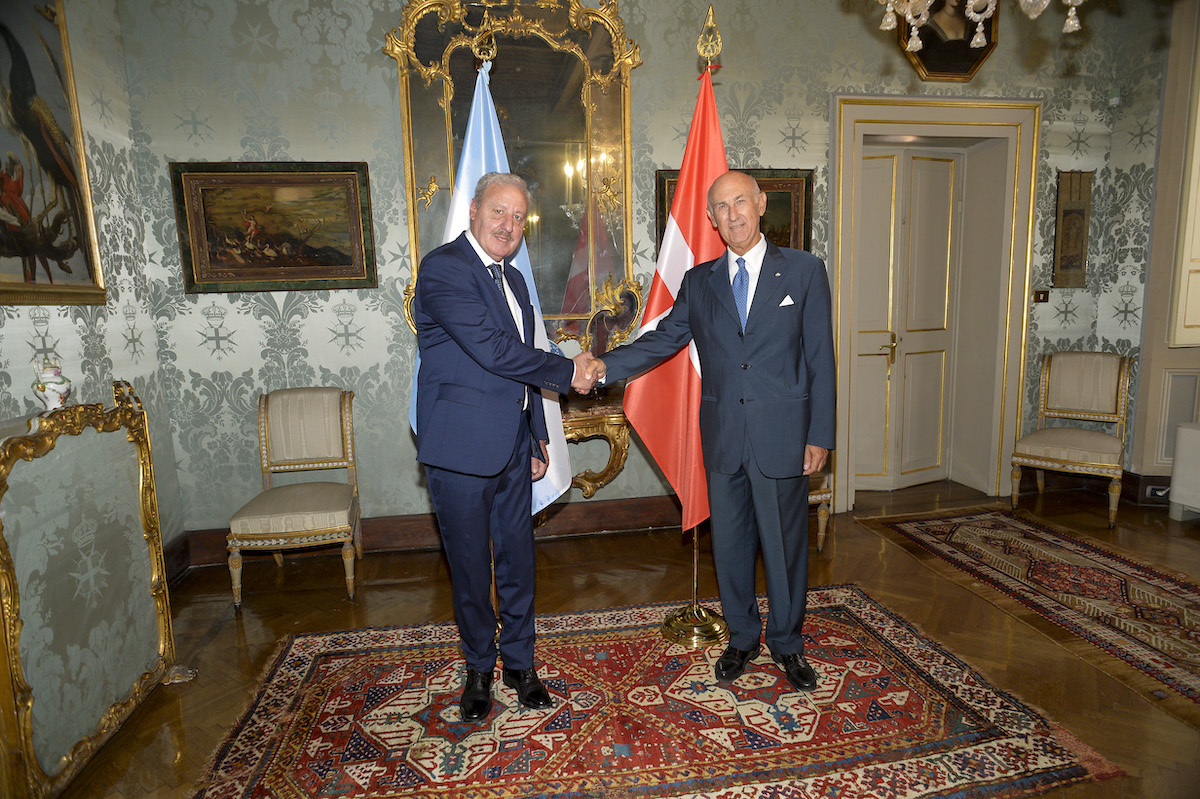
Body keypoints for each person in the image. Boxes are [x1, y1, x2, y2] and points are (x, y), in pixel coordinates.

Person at [586, 170, 835, 691]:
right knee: (732, 545)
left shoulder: (806, 272)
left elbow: (820, 359)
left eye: (740, 201)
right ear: (711, 219)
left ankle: (788, 644)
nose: (733, 214)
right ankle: (742, 638)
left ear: (762, 203)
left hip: (783, 436)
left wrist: (821, 434)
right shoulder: (700, 282)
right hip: (723, 437)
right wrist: (604, 366)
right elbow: (662, 341)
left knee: (786, 548)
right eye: (721, 207)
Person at [413, 171, 597, 722]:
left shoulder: (514, 281)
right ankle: (478, 669)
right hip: (459, 452)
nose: (509, 226)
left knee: (519, 561)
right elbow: (494, 351)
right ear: (473, 211)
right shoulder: (444, 268)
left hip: (514, 446)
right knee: (470, 568)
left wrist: (537, 434)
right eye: (499, 212)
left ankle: (520, 663)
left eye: (519, 218)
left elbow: (521, 366)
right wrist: (570, 371)